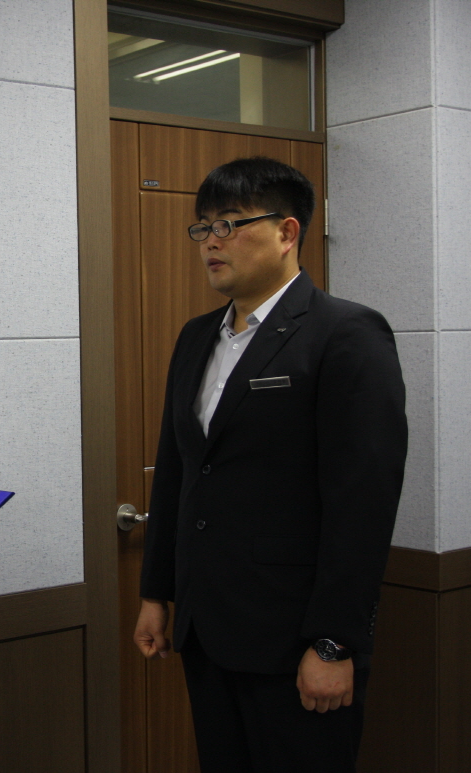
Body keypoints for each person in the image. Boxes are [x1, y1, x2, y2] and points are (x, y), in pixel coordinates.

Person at [133, 157, 407, 772]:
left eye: (229, 224)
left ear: (287, 232)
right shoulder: (196, 336)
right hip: (206, 627)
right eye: (203, 227)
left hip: (295, 636)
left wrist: (334, 643)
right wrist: (157, 592)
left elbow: (363, 504)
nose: (211, 242)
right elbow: (178, 471)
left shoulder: (346, 333)